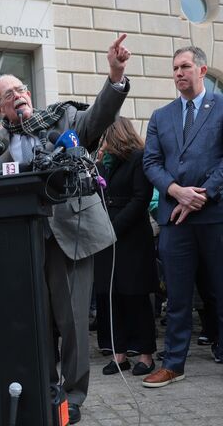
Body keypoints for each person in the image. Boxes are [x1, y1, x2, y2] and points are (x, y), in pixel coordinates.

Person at [0, 35, 131, 424]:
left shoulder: (63, 118)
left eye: (20, 89)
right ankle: (43, 385)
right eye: (8, 94)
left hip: (71, 232)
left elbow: (98, 117)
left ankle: (73, 395)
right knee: (34, 319)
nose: (17, 95)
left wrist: (115, 75)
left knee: (71, 321)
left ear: (29, 94)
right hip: (23, 242)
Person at [142, 46, 223, 388]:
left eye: (185, 66)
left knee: (219, 290)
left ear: (202, 70)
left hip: (213, 215)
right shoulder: (161, 116)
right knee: (176, 297)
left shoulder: (220, 107)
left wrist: (200, 196)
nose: (178, 73)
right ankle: (174, 363)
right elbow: (151, 163)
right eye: (175, 67)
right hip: (174, 220)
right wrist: (176, 192)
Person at [93, 117, 157, 377]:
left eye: (104, 137)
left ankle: (146, 354)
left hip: (130, 237)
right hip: (106, 238)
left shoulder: (138, 158)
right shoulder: (102, 165)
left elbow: (141, 198)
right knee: (112, 295)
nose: (102, 143)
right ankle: (119, 353)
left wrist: (114, 227)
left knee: (136, 296)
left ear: (115, 135)